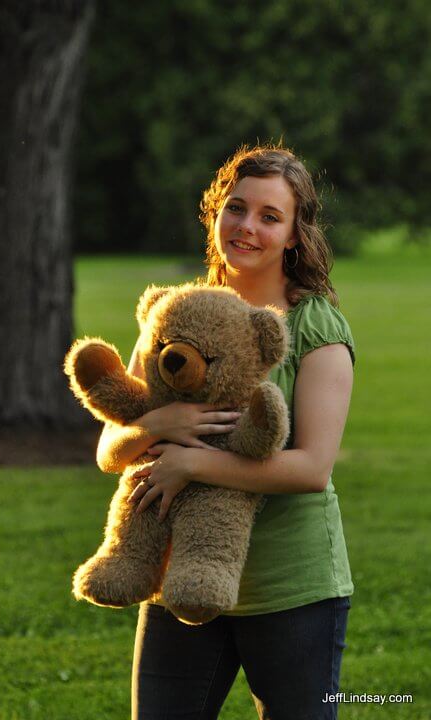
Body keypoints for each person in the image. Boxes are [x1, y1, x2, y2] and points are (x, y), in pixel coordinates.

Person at [97, 144, 355, 720]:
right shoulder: (177, 314)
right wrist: (157, 424)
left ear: (293, 234)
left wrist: (191, 463)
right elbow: (108, 451)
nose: (247, 227)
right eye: (236, 208)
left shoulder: (316, 327)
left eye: (270, 216)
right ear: (215, 212)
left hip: (292, 590)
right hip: (178, 580)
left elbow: (312, 468)